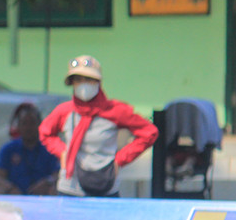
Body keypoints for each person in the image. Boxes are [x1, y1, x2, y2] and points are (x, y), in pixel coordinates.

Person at [38, 55, 158, 197]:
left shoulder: (115, 110)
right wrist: (62, 152)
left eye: (88, 79)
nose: (83, 85)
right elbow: (45, 133)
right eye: (78, 80)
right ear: (72, 83)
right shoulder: (65, 111)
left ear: (98, 82)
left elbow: (149, 132)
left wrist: (120, 160)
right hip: (71, 187)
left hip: (106, 184)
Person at [0, 102, 60, 195]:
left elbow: (59, 174)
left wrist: (48, 182)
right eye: (24, 123)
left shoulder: (49, 148)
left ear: (39, 125)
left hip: (42, 195)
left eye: (32, 123)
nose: (28, 128)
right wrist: (10, 187)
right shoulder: (8, 149)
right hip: (15, 195)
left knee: (54, 190)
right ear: (18, 126)